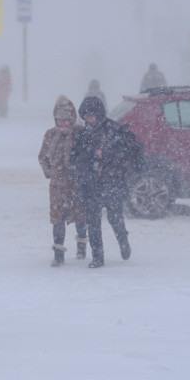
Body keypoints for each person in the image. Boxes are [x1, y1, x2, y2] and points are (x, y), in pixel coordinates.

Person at [70, 96, 142, 268]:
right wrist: (80, 175)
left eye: (92, 115)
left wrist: (106, 157)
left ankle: (122, 240)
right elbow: (75, 158)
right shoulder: (83, 134)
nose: (89, 119)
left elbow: (128, 154)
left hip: (111, 184)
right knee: (93, 222)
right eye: (86, 116)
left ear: (100, 114)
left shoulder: (114, 130)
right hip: (90, 186)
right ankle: (98, 256)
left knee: (114, 218)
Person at [38, 96, 88, 266]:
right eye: (60, 121)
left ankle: (82, 247)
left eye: (67, 121)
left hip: (77, 185)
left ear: (72, 118)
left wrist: (82, 173)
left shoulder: (80, 133)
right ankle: (58, 254)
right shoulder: (50, 135)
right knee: (58, 219)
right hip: (57, 186)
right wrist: (50, 172)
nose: (63, 124)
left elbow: (87, 156)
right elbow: (43, 157)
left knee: (80, 217)